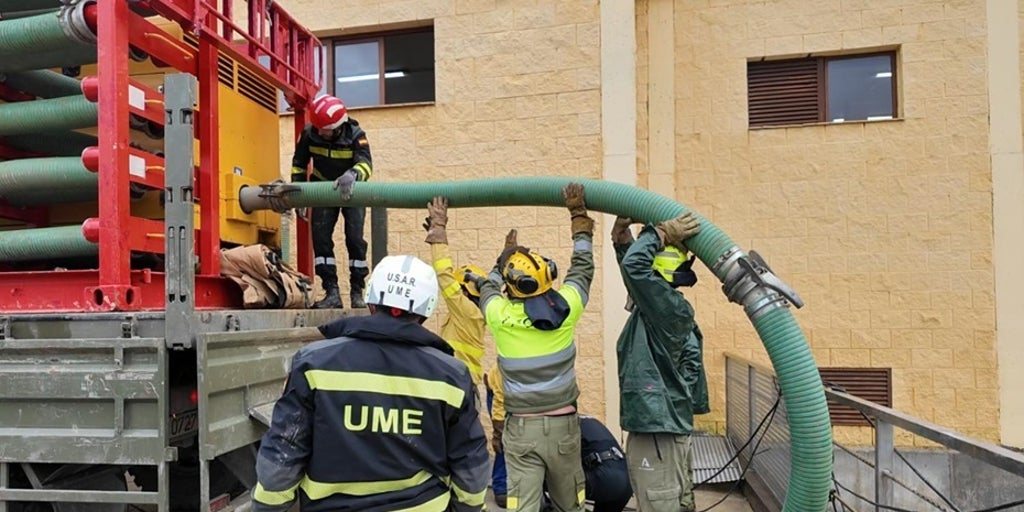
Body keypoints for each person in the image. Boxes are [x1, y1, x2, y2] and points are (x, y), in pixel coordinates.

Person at [252, 254, 490, 512]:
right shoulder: (452, 375)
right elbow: (470, 462)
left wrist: (267, 507)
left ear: (371, 300)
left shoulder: (314, 363)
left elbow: (285, 450)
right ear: (426, 309)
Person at [463, 183, 595, 512]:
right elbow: (583, 269)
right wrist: (579, 219)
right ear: (549, 274)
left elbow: (488, 286)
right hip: (564, 428)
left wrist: (503, 258)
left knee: (522, 507)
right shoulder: (567, 308)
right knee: (571, 506)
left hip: (522, 430)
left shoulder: (500, 316)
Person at [611, 213, 710, 512]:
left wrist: (661, 233)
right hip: (664, 426)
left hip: (658, 432)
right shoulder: (661, 307)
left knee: (660, 502)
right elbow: (635, 274)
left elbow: (636, 270)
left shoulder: (666, 309)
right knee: (673, 501)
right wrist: (622, 240)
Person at [486, 367, 633, 512]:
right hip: (627, 483)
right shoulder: (583, 421)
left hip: (603, 479)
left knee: (536, 474)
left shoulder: (561, 428)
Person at [290, 94, 373, 309]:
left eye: (324, 129)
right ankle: (332, 292)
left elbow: (366, 165)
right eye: (317, 128)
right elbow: (299, 164)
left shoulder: (356, 135)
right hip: (323, 190)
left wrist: (353, 174)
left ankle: (357, 292)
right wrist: (300, 195)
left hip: (352, 191)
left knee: (355, 240)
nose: (319, 132)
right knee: (321, 239)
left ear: (338, 126)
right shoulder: (310, 133)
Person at [422, 196, 489, 388]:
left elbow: (444, 274)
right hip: (463, 381)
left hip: (458, 382)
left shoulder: (467, 311)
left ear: (465, 292)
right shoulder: (474, 314)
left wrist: (438, 234)